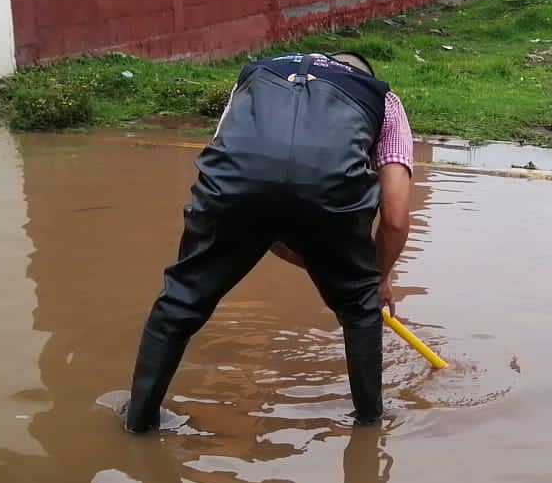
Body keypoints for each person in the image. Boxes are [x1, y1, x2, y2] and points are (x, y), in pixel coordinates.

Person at [122, 50, 414, 433]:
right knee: (360, 311)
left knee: (180, 301)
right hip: (328, 193)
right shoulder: (383, 100)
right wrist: (373, 279)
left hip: (235, 186)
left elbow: (232, 159)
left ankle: (138, 421)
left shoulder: (254, 77)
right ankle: (369, 428)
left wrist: (267, 233)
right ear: (361, 74)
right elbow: (394, 220)